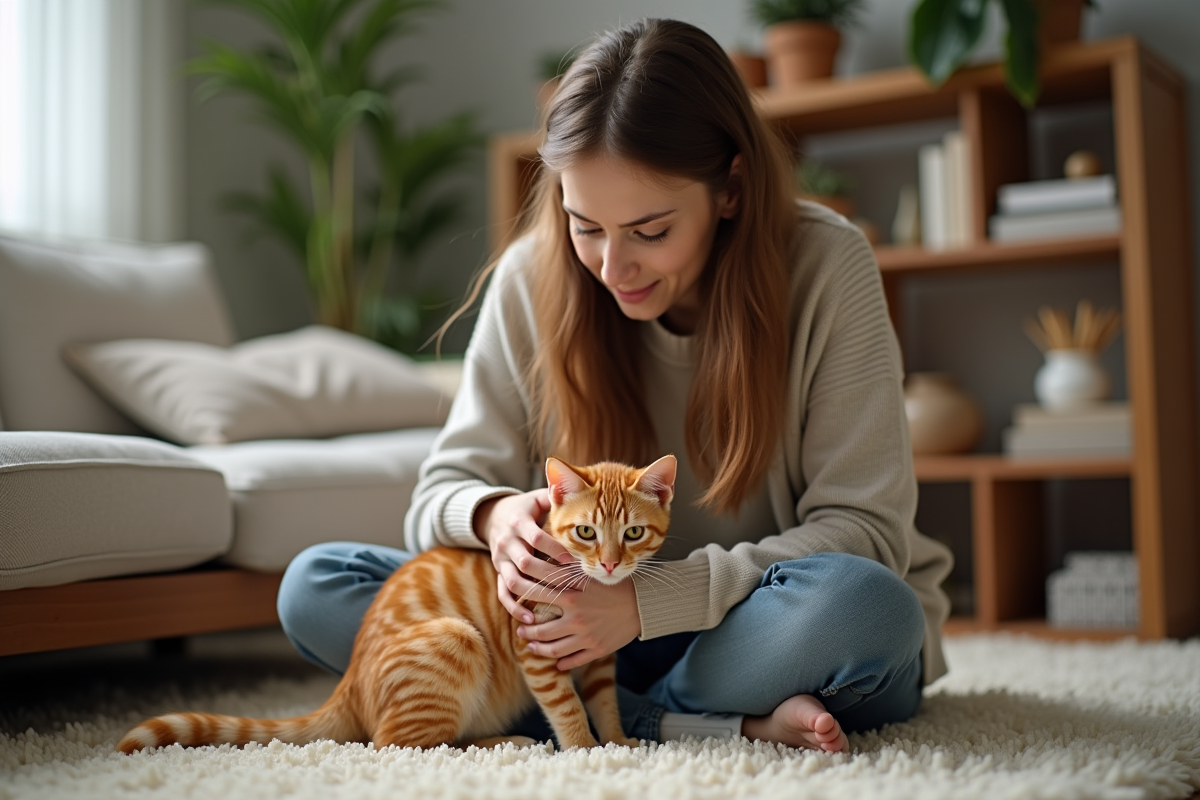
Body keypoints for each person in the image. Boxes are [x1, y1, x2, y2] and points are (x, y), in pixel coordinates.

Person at [277, 17, 954, 752]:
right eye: (584, 225)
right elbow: (442, 493)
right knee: (320, 582)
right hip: (581, 627)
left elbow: (865, 534)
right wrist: (497, 518)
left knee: (866, 607)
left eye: (650, 231)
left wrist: (644, 599)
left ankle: (621, 715)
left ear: (730, 188)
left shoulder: (828, 266)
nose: (610, 267)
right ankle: (695, 723)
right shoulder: (531, 277)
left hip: (756, 625)